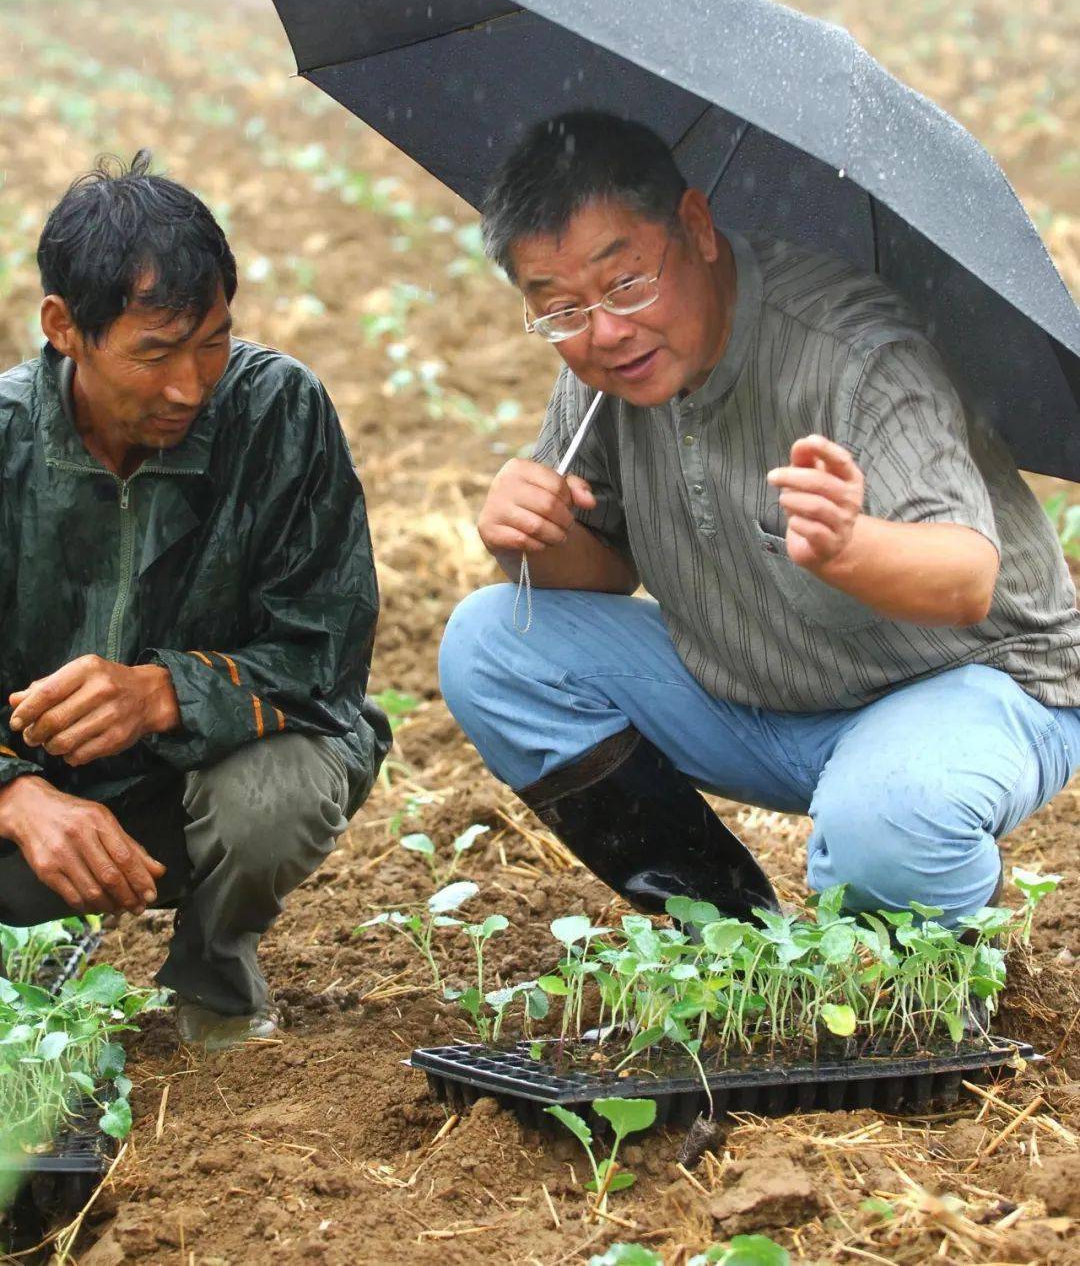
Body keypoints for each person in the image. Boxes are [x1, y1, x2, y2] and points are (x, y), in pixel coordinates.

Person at [439, 111, 1080, 928]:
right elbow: (604, 570)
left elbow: (967, 579)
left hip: (966, 683)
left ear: (697, 229)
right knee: (491, 643)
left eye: (627, 282)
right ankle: (723, 927)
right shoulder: (606, 372)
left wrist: (852, 546)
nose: (604, 330)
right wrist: (530, 537)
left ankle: (949, 942)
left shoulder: (851, 350)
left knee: (886, 825)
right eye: (559, 308)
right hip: (758, 695)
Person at [0, 152, 389, 1048]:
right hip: (40, 805)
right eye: (154, 352)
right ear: (63, 327)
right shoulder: (10, 442)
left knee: (272, 795)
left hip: (200, 781)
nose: (191, 384)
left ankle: (216, 982)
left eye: (211, 338)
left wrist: (165, 690)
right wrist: (19, 796)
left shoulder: (275, 411)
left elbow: (326, 649)